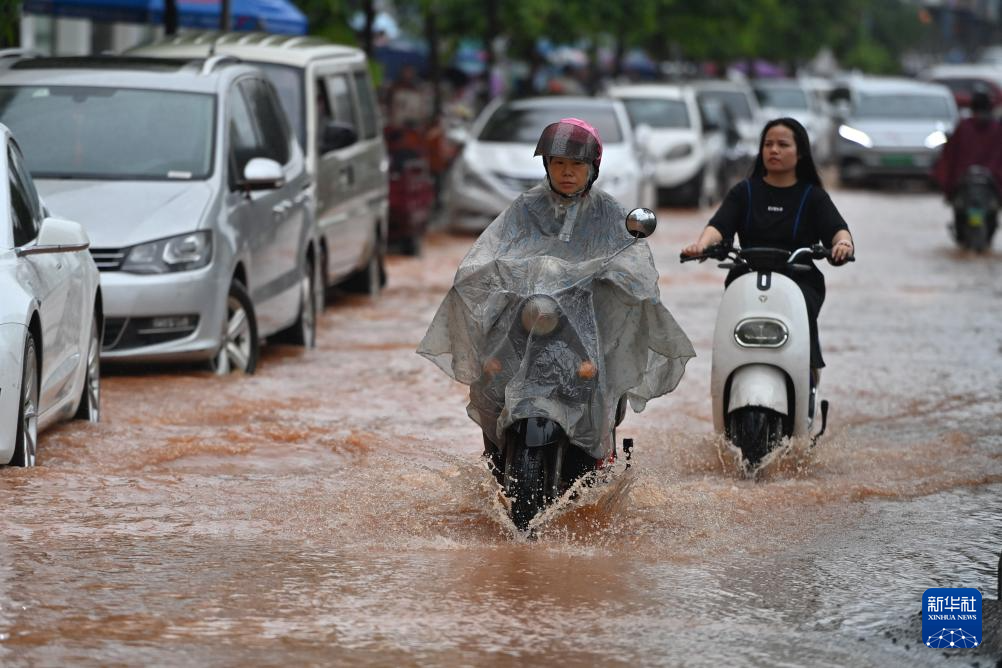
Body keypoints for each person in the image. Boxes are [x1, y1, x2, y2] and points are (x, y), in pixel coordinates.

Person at [418, 118, 694, 462]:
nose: (566, 171)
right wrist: (487, 275)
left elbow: (635, 266)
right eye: (558, 163)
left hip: (585, 323)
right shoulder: (524, 208)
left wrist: (615, 277)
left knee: (602, 372)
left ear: (592, 168)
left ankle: (599, 442)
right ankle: (496, 447)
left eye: (576, 164)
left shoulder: (610, 213)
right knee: (492, 373)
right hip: (528, 319)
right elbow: (488, 253)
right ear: (547, 167)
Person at [681, 117, 854, 382]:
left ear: (801, 153)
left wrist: (843, 244)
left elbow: (837, 230)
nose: (774, 150)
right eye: (768, 144)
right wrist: (701, 245)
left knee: (804, 314)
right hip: (747, 276)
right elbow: (719, 225)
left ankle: (808, 370)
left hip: (800, 278)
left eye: (783, 144)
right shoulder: (744, 191)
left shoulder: (813, 196)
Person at [932, 89, 1002, 238]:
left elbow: (949, 156)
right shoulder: (996, 128)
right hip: (989, 182)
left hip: (967, 182)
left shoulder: (964, 126)